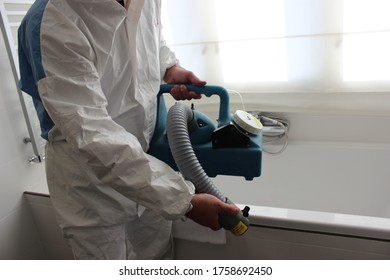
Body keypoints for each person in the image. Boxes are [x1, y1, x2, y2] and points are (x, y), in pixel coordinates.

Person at [18, 0, 239, 260]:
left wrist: (169, 68)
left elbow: (152, 38)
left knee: (156, 261)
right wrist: (184, 201)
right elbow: (93, 135)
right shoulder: (56, 20)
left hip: (150, 167)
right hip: (92, 187)